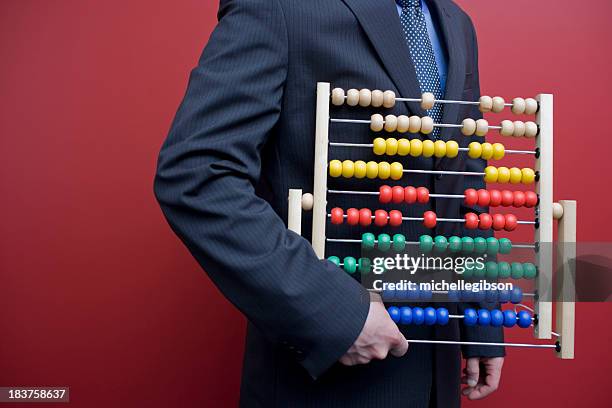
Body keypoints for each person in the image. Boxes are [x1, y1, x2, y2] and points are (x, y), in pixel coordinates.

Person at [154, 0, 504, 406]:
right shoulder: (279, 7)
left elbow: (461, 180)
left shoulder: (456, 23)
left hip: (437, 369)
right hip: (327, 378)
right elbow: (198, 173)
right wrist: (335, 313)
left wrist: (482, 313)